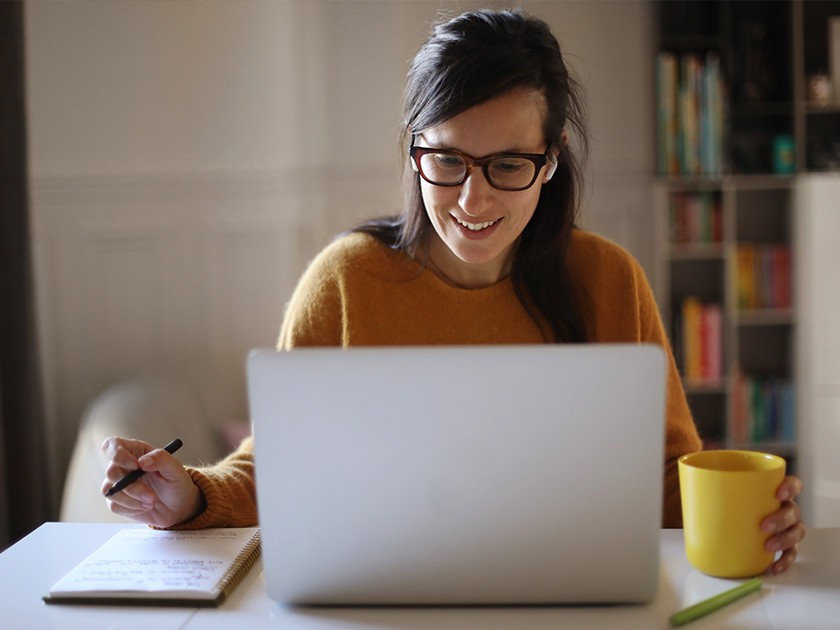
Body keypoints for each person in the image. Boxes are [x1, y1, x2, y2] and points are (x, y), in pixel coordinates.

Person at [101, 8, 805, 574]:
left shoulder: (609, 280)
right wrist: (191, 493)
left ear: (552, 158)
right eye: (446, 160)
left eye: (507, 164)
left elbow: (668, 480)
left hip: (575, 599)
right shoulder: (345, 280)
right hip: (379, 599)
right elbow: (278, 467)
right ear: (415, 151)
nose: (473, 199)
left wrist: (751, 523)